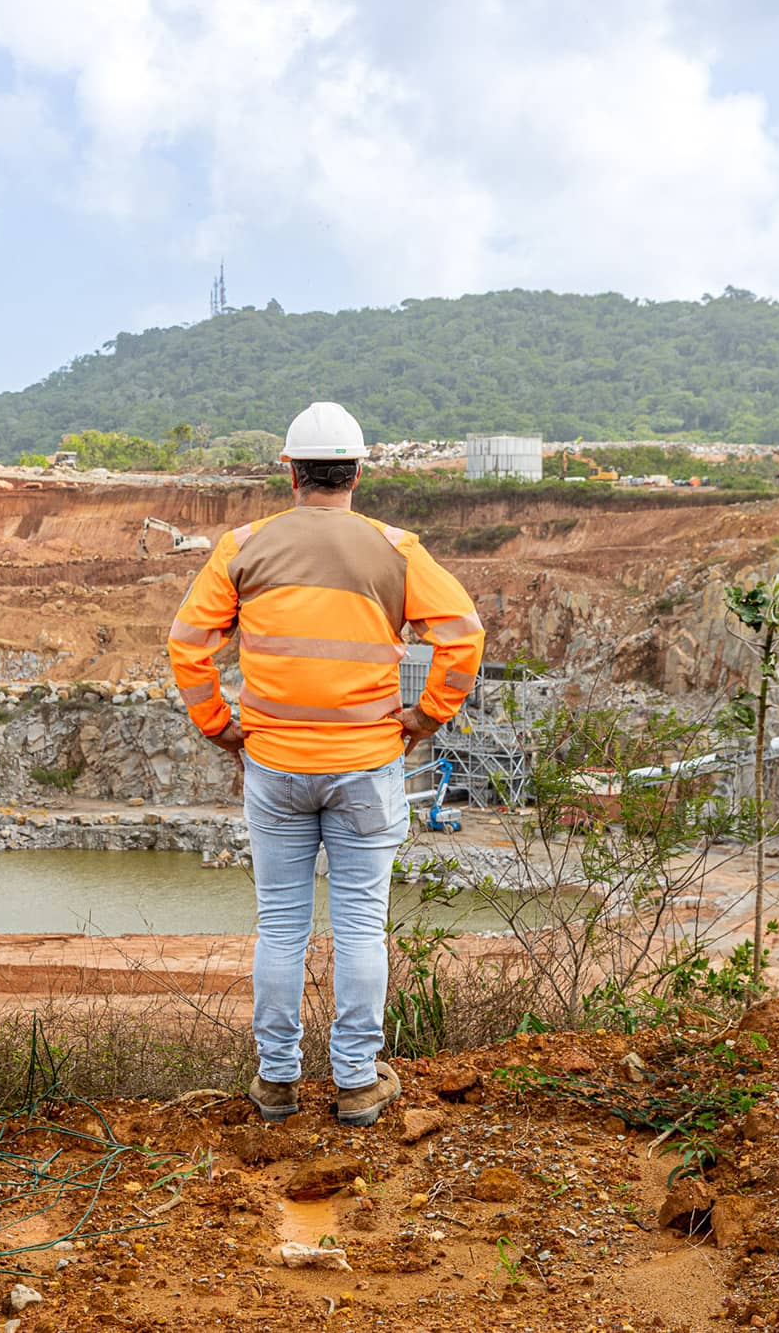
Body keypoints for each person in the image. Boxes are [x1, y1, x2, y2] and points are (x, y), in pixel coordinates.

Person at [167, 401, 485, 1126]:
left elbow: (186, 645)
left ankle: (275, 1083)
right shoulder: (397, 549)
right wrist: (426, 716)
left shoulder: (243, 545)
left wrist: (220, 726)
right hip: (367, 765)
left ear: (290, 471)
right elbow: (463, 636)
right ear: (358, 471)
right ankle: (356, 1084)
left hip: (274, 766)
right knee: (361, 927)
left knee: (280, 927)